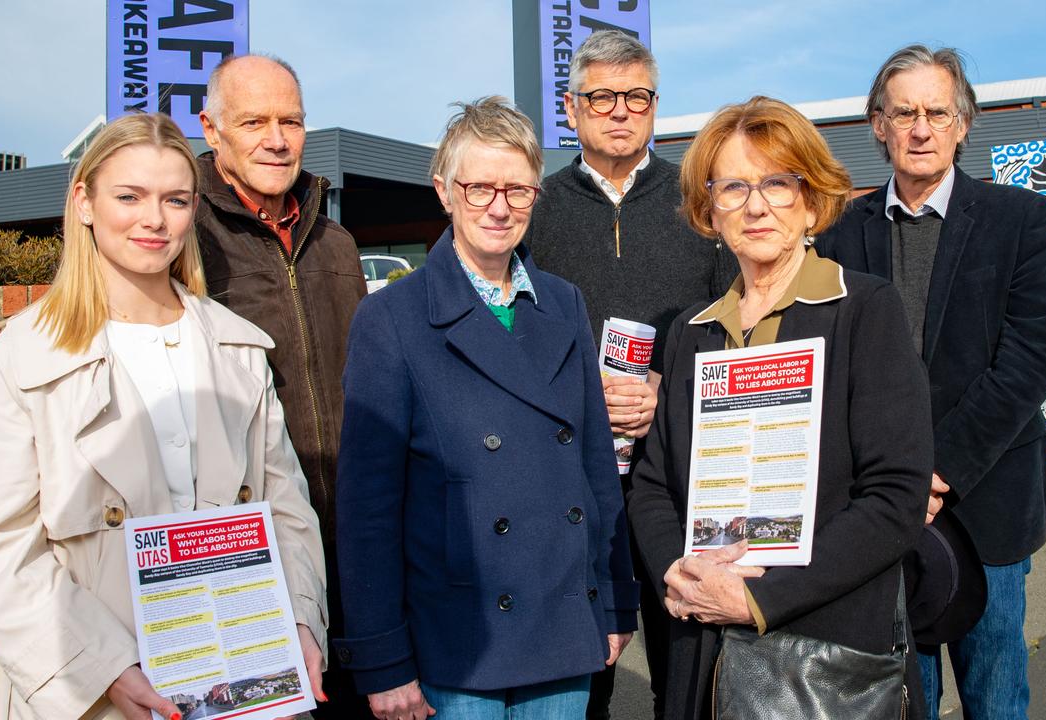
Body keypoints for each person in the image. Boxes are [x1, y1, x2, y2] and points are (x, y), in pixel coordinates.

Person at [0, 112, 327, 720]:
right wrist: (104, 670)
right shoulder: (23, 357)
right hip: (97, 698)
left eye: (176, 200)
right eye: (129, 196)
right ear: (84, 202)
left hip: (245, 685)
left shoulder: (239, 348)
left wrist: (299, 621)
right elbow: (1, 556)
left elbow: (288, 510)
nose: (154, 219)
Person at [626, 96, 933, 720]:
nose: (756, 205)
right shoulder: (691, 331)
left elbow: (895, 497)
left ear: (812, 198)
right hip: (707, 644)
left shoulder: (865, 311)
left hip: (826, 651)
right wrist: (675, 572)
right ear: (709, 208)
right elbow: (654, 484)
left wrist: (758, 600)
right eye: (733, 187)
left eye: (777, 182)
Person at [333, 97, 639, 720]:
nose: (499, 208)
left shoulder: (563, 302)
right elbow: (367, 510)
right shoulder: (391, 318)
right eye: (479, 188)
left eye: (518, 190)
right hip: (456, 641)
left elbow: (594, 468)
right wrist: (383, 660)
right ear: (444, 191)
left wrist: (613, 602)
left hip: (558, 628)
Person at [817, 44, 1046, 719]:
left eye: (937, 112)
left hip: (989, 503)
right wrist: (892, 481)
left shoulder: (1020, 221)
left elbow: (1030, 361)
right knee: (904, 697)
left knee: (996, 693)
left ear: (963, 123)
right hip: (879, 509)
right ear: (878, 124)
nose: (921, 129)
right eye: (904, 113)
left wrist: (938, 471)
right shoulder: (838, 235)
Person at [524, 30, 736, 719]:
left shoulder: (702, 202)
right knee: (584, 673)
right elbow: (511, 336)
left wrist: (662, 391)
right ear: (572, 108)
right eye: (603, 97)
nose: (620, 111)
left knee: (689, 663)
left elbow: (737, 329)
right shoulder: (533, 208)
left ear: (654, 104)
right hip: (570, 481)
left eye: (636, 96)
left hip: (682, 477)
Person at [196, 54, 366, 713]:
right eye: (254, 121)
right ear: (213, 131)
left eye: (291, 120)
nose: (276, 138)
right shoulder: (189, 241)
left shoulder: (337, 244)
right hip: (247, 555)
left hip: (353, 547)